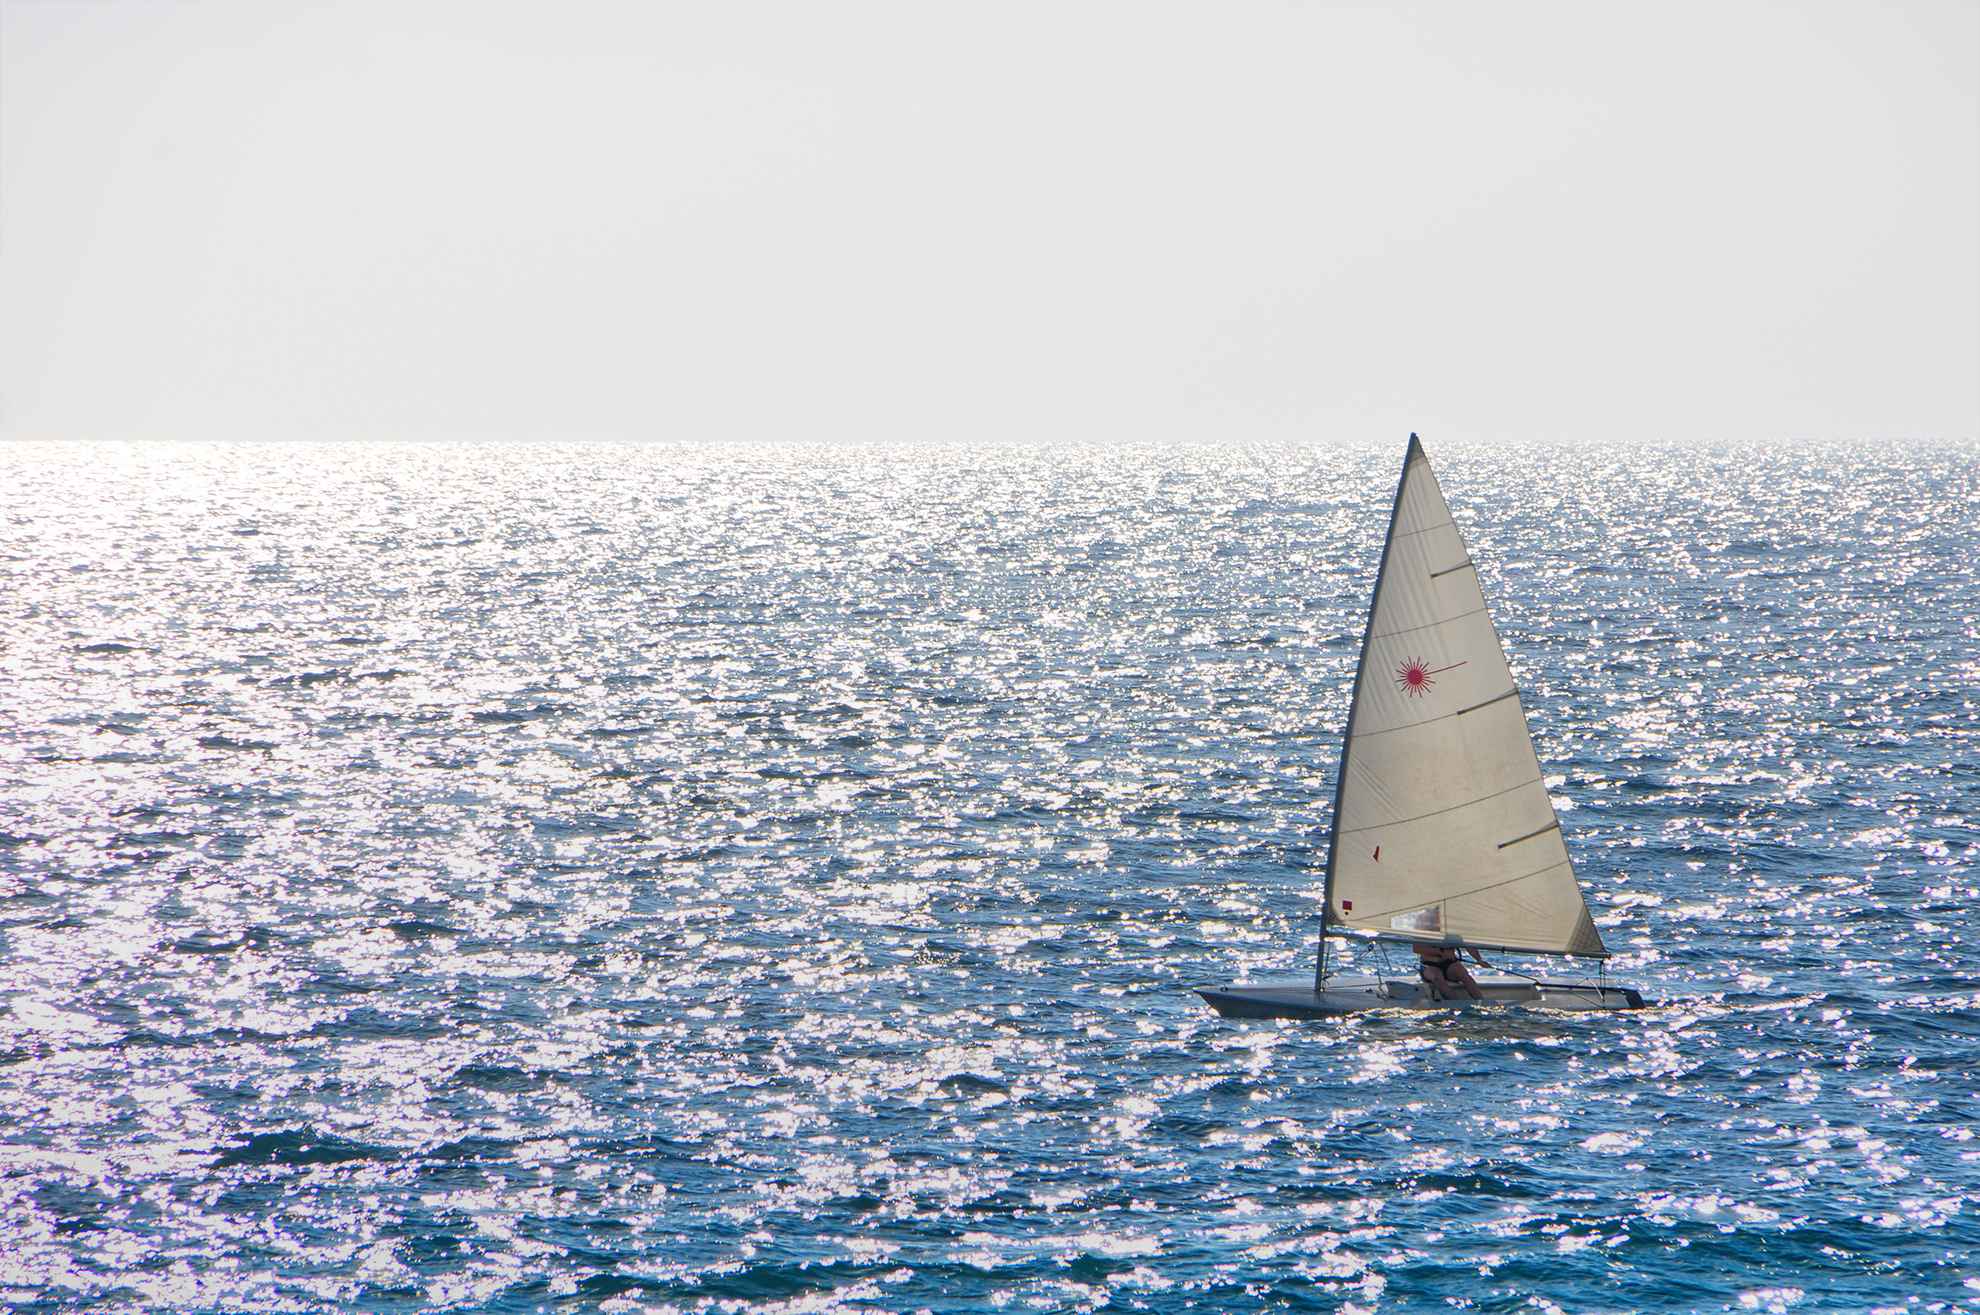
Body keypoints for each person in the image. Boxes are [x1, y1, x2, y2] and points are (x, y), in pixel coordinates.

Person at [1416, 942, 1495, 1001]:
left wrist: (1479, 960)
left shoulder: (1453, 925)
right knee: (1438, 978)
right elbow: (1416, 948)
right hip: (1429, 965)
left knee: (1462, 973)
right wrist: (1439, 952)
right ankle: (1455, 1004)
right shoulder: (1424, 924)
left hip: (1449, 963)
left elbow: (1468, 943)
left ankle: (1481, 1001)